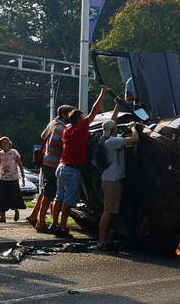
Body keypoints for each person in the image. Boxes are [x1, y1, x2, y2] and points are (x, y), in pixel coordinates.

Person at [53, 85, 109, 238]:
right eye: (83, 117)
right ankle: (63, 228)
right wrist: (103, 92)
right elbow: (95, 110)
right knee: (68, 201)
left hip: (61, 167)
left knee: (59, 197)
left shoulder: (67, 130)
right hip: (72, 170)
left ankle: (55, 224)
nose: (85, 118)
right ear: (79, 119)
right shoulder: (80, 128)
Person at [97, 100, 139, 249]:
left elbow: (112, 125)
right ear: (113, 130)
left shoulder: (104, 139)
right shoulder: (112, 142)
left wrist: (117, 106)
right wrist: (133, 128)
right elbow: (134, 139)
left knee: (111, 211)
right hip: (112, 181)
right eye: (115, 127)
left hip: (110, 179)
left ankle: (106, 239)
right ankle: (102, 241)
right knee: (108, 211)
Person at [27, 105, 74, 233]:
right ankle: (41, 223)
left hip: (46, 161)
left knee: (44, 192)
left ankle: (33, 216)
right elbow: (54, 141)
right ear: (65, 115)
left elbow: (43, 136)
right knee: (49, 194)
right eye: (71, 113)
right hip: (53, 163)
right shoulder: (60, 127)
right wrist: (67, 143)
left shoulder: (53, 123)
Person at [0, 136, 26, 222]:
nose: (5, 144)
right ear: (0, 145)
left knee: (14, 196)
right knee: (3, 198)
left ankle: (16, 211)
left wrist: (23, 176)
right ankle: (3, 217)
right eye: (2, 143)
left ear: (9, 144)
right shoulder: (0, 155)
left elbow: (20, 165)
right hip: (3, 179)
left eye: (6, 142)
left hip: (13, 178)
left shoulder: (14, 152)